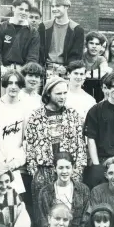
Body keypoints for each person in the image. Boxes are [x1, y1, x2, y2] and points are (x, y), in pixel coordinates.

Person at [25, 76, 87, 208]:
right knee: (44, 212)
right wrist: (35, 172)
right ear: (48, 93)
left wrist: (78, 170)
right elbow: (30, 147)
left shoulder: (73, 115)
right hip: (44, 171)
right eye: (58, 93)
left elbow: (81, 145)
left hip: (68, 171)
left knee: (69, 210)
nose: (63, 97)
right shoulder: (35, 117)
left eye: (65, 93)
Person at [0, 70, 31, 206]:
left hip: (18, 168)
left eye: (16, 83)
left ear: (21, 86)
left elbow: (28, 140)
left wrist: (15, 162)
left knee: (17, 206)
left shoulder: (26, 109)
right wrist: (1, 161)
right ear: (4, 85)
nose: (13, 87)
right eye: (9, 83)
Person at [36, 152, 90, 227]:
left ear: (73, 167)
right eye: (61, 168)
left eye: (67, 167)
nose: (64, 171)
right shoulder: (45, 192)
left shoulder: (83, 190)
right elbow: (43, 219)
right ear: (55, 168)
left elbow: (86, 216)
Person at [0, 0, 39, 70]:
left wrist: (25, 71)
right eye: (21, 9)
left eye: (26, 10)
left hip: (22, 70)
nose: (23, 12)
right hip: (2, 69)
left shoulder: (33, 32)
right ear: (13, 8)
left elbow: (33, 56)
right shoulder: (0, 28)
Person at [38, 0, 84, 69]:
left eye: (57, 6)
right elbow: (39, 51)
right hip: (45, 69)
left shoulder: (77, 29)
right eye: (52, 6)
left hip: (65, 69)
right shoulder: (44, 26)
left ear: (66, 7)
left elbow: (76, 55)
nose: (54, 9)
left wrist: (67, 68)